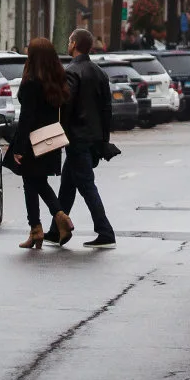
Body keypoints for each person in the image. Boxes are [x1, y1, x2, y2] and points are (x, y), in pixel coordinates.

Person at [55, 27, 116, 248]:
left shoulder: (71, 71)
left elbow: (66, 106)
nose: (68, 44)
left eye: (70, 41)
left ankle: (105, 231)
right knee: (68, 184)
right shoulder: (100, 73)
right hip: (92, 138)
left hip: (76, 138)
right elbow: (107, 110)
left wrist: (60, 133)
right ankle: (56, 230)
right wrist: (104, 139)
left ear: (74, 44)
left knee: (87, 186)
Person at [10, 37, 70, 250]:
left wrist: (18, 148)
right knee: (37, 182)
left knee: (31, 183)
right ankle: (48, 223)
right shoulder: (57, 80)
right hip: (50, 140)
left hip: (32, 141)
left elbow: (26, 117)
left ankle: (44, 225)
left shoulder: (31, 83)